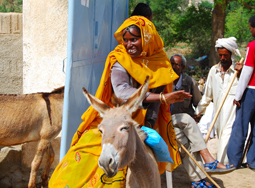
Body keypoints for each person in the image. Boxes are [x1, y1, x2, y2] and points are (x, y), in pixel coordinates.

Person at [49, 16, 192, 187]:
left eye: (134, 39)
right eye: (126, 40)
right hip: (114, 118)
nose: (129, 44)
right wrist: (162, 98)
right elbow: (122, 92)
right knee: (83, 155)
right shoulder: (119, 59)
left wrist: (149, 123)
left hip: (143, 122)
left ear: (146, 39)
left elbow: (157, 96)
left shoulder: (159, 62)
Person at [170, 54, 232, 188]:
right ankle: (207, 158)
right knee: (185, 118)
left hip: (182, 128)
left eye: (177, 65)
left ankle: (197, 181)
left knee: (187, 143)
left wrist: (197, 117)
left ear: (183, 67)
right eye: (172, 64)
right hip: (166, 122)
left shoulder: (190, 82)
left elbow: (199, 104)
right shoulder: (162, 82)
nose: (174, 67)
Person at [195, 37, 243, 165]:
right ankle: (225, 163)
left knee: (227, 138)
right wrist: (198, 111)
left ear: (231, 54)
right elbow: (207, 96)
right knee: (221, 137)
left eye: (225, 55)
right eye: (220, 55)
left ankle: (224, 164)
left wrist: (241, 73)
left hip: (233, 115)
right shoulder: (213, 71)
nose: (223, 58)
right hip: (218, 116)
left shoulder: (238, 72)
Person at [227, 15, 255, 170]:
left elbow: (248, 73)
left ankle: (234, 161)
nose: (250, 30)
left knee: (240, 128)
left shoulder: (253, 45)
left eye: (250, 27)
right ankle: (253, 161)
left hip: (251, 91)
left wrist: (238, 96)